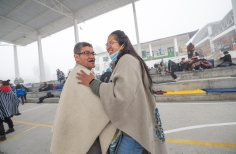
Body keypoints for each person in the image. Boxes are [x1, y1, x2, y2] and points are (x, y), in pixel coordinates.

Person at [76, 30, 168, 154]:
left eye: (111, 43)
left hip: (132, 134)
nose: (108, 47)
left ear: (122, 44)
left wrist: (93, 83)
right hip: (134, 130)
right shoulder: (127, 60)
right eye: (106, 44)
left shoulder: (127, 60)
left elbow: (121, 96)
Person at [51, 42, 116, 154]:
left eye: (93, 53)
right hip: (87, 137)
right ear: (76, 57)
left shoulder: (80, 72)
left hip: (80, 131)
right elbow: (100, 108)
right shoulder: (81, 74)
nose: (92, 57)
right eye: (86, 53)